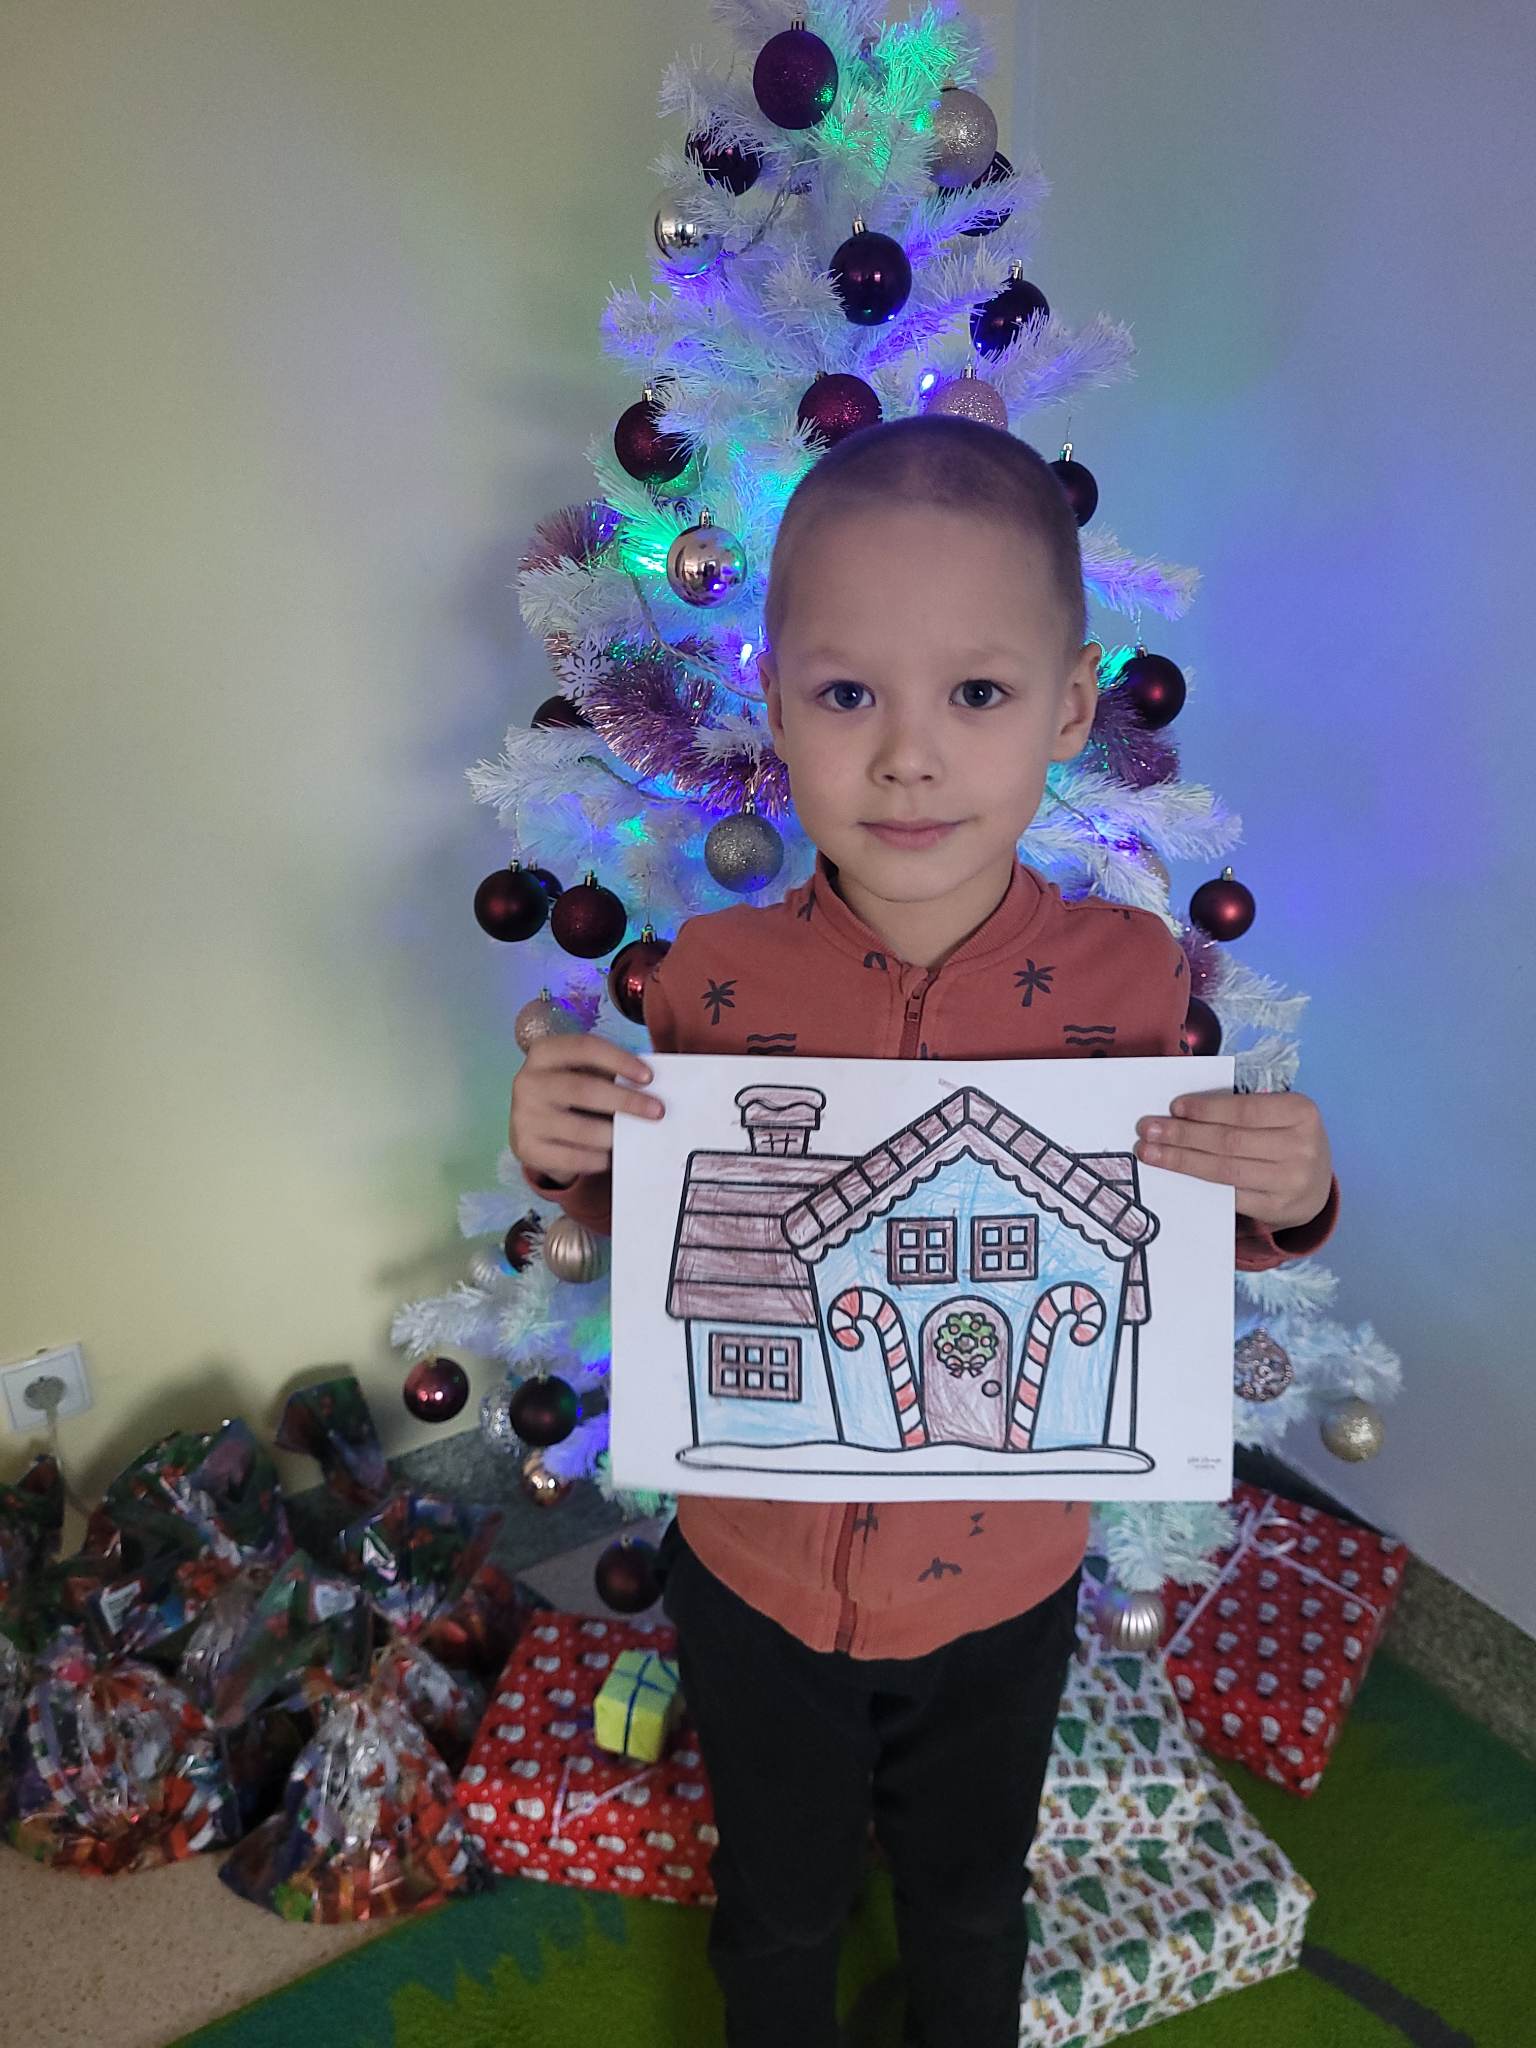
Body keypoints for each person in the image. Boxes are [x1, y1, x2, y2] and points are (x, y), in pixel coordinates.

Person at [509, 415, 1338, 2048]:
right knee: (780, 1903)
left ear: (1072, 709)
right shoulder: (707, 978)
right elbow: (670, 1223)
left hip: (1004, 1585)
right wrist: (567, 1162)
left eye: (976, 693)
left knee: (971, 1897)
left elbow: (1171, 1228)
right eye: (846, 695)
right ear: (771, 701)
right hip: (752, 1571)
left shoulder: (1132, 979)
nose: (908, 757)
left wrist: (1289, 1194)